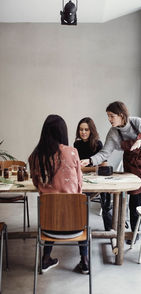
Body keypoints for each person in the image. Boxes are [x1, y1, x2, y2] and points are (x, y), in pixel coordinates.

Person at [81, 101, 141, 245]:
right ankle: (134, 232)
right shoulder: (113, 132)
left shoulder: (137, 122)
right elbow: (104, 153)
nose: (109, 119)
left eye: (112, 116)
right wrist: (90, 160)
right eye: (108, 116)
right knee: (134, 201)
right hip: (132, 167)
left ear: (121, 115)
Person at [29, 114, 89, 274]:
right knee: (79, 210)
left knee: (52, 206)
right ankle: (85, 261)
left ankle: (45, 258)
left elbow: (36, 184)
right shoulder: (72, 152)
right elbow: (79, 186)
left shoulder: (35, 157)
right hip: (75, 224)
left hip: (48, 226)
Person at [74, 117, 112, 231]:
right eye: (81, 129)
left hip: (97, 179)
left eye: (86, 129)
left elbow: (104, 165)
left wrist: (89, 168)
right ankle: (79, 226)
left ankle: (109, 228)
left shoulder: (97, 144)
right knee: (76, 194)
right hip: (83, 179)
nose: (83, 132)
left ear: (91, 131)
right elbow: (77, 166)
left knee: (106, 195)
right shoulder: (77, 144)